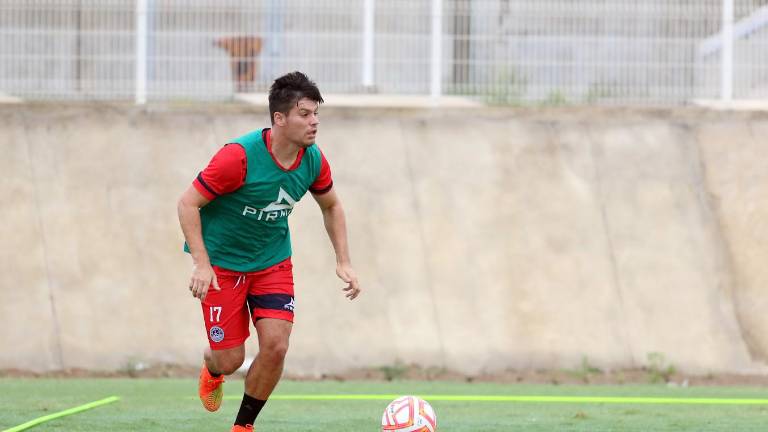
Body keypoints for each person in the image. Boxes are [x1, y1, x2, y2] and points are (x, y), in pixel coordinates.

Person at [177, 71, 361, 432]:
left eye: (316, 113)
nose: (314, 122)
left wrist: (344, 261)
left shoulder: (312, 160)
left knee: (276, 346)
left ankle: (243, 426)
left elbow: (332, 206)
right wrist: (201, 263)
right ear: (279, 118)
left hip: (272, 263)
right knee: (230, 360)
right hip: (223, 265)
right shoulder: (238, 158)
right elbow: (187, 204)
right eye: (304, 114)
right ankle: (212, 367)